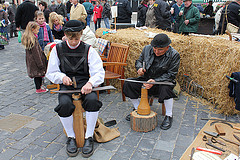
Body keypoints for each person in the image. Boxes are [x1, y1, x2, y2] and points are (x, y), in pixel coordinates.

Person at [46, 20, 104, 158]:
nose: (73, 42)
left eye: (77, 38)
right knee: (64, 104)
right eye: (70, 38)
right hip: (66, 85)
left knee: (92, 101)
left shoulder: (88, 49)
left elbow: (99, 72)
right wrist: (61, 77)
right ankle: (71, 137)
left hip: (85, 84)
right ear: (65, 35)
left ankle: (88, 137)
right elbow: (51, 72)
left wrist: (90, 83)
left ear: (81, 34)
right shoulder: (57, 49)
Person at [123, 33, 180, 130]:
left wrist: (155, 81)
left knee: (166, 88)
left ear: (167, 47)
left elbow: (171, 74)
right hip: (146, 79)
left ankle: (169, 115)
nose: (157, 52)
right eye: (155, 48)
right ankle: (137, 108)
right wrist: (140, 68)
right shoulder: (147, 48)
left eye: (160, 49)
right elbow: (139, 61)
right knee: (128, 83)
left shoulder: (174, 55)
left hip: (161, 82)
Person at [21, 21, 48, 93]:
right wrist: (40, 63)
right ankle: (38, 88)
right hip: (35, 61)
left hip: (31, 60)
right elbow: (36, 53)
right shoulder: (33, 40)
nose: (38, 31)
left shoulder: (29, 38)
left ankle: (39, 87)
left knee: (37, 75)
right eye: (37, 29)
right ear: (33, 29)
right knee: (38, 74)